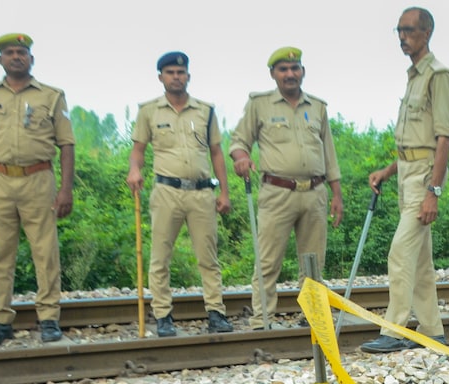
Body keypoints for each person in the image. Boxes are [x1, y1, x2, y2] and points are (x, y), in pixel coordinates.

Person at [0, 33, 75, 347]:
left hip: (38, 179)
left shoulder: (51, 96)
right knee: (0, 254)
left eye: (22, 52)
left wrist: (66, 190)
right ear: (1, 60)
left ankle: (49, 319)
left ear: (31, 59)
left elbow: (66, 144)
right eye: (10, 52)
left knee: (45, 251)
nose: (16, 57)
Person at [360, 7, 449, 354]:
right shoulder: (413, 76)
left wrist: (434, 191)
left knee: (400, 253)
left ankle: (395, 329)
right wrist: (388, 171)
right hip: (407, 174)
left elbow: (443, 138)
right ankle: (433, 332)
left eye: (409, 30)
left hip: (423, 180)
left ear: (427, 32)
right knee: (419, 263)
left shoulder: (439, 75)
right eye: (398, 30)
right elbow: (414, 143)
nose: (402, 37)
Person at [230, 47, 343, 328]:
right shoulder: (259, 104)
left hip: (315, 192)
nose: (290, 74)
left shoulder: (317, 107)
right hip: (277, 192)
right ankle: (263, 320)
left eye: (295, 68)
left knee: (313, 263)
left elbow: (329, 154)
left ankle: (313, 317)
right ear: (273, 74)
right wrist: (241, 158)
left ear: (303, 71)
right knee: (268, 261)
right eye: (283, 69)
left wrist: (336, 194)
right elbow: (238, 141)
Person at [127, 51, 233, 337]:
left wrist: (224, 191)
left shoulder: (205, 110)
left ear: (189, 76)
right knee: (160, 256)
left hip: (200, 193)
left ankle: (215, 312)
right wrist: (134, 170)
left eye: (181, 72)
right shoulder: (149, 111)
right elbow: (137, 151)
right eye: (171, 72)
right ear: (161, 77)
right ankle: (163, 315)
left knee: (208, 257)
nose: (177, 77)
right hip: (166, 192)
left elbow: (216, 152)